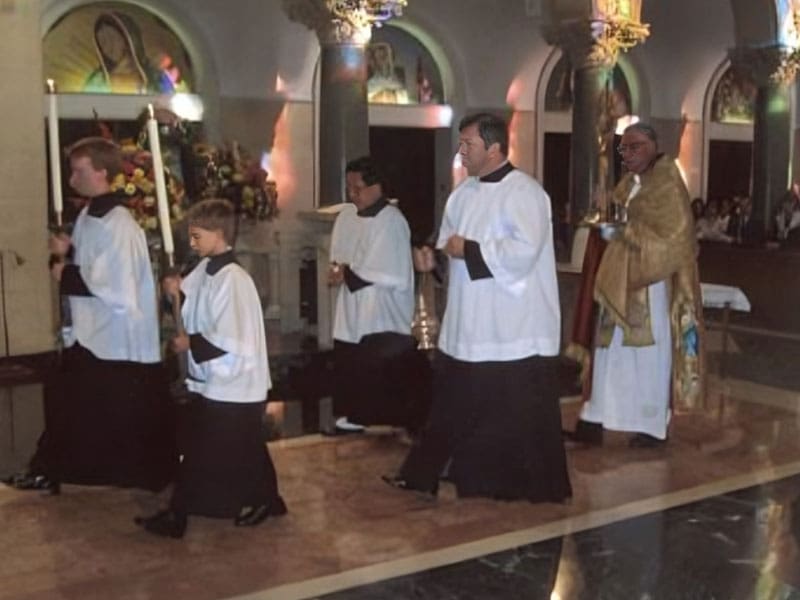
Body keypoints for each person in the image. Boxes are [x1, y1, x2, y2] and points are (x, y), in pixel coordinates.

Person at [384, 113, 571, 503]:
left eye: (468, 144)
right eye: (460, 143)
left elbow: (523, 252)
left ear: (494, 147)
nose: (460, 151)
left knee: (517, 410)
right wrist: (430, 261)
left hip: (512, 325)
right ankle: (422, 474)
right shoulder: (462, 194)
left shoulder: (526, 193)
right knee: (451, 399)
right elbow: (445, 248)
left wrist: (467, 249)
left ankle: (527, 485)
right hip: (469, 322)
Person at [6, 137, 175, 493]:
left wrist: (63, 270)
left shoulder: (120, 225)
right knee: (72, 406)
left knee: (83, 407)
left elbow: (117, 288)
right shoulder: (88, 216)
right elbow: (86, 263)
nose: (71, 180)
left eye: (78, 171)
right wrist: (66, 251)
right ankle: (53, 470)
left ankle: (53, 470)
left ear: (101, 173)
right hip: (92, 334)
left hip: (116, 337)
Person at [135, 199, 286, 538]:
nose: (192, 243)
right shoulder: (204, 269)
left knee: (205, 449)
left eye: (196, 235)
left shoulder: (234, 279)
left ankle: (180, 514)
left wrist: (191, 344)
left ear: (218, 234)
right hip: (215, 380)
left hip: (234, 380)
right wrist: (174, 294)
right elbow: (188, 306)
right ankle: (268, 499)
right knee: (246, 445)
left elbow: (234, 335)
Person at [570, 123, 705, 448]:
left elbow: (675, 240)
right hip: (618, 280)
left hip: (650, 287)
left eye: (635, 147)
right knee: (608, 352)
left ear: (654, 146)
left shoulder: (667, 185)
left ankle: (650, 424)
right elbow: (614, 220)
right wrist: (603, 223)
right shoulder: (627, 184)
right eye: (624, 148)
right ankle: (596, 416)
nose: (627, 154)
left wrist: (623, 233)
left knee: (644, 356)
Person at [327, 157, 425, 434]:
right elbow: (339, 256)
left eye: (358, 188)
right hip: (352, 301)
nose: (352, 194)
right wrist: (339, 270)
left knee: (375, 358)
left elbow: (386, 269)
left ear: (377, 187)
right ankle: (355, 413)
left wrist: (348, 272)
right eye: (349, 188)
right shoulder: (347, 215)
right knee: (351, 353)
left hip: (381, 306)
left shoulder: (391, 220)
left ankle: (380, 416)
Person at [84, 12, 156, 94]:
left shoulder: (155, 76)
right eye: (103, 42)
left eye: (113, 39)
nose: (109, 47)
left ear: (128, 39)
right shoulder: (97, 81)